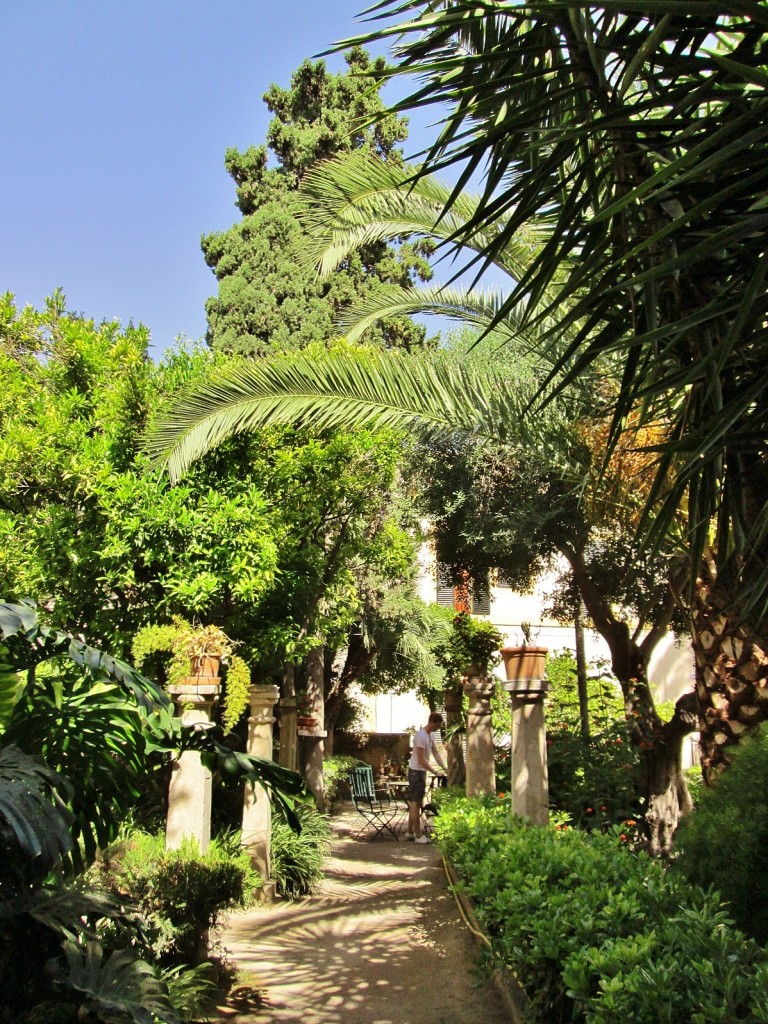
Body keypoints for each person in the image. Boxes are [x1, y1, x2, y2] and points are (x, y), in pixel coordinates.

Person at [406, 712, 447, 843]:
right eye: (438, 726)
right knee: (416, 803)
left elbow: (435, 752)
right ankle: (418, 835)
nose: (439, 728)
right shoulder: (421, 736)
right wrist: (435, 772)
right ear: (433, 722)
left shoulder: (431, 735)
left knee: (417, 801)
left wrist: (445, 768)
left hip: (421, 772)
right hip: (416, 772)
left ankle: (409, 831)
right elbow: (421, 759)